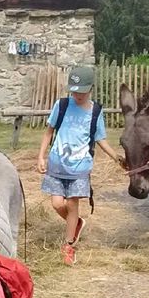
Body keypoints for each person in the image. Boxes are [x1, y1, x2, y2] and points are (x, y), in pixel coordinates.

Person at [35, 65, 125, 265]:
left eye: (82, 91)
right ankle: (76, 224)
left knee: (72, 203)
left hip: (80, 167)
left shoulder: (95, 111)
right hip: (57, 164)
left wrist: (116, 158)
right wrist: (41, 156)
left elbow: (100, 139)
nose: (78, 95)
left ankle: (68, 246)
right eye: (74, 91)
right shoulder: (62, 105)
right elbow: (49, 132)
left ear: (90, 88)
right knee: (57, 204)